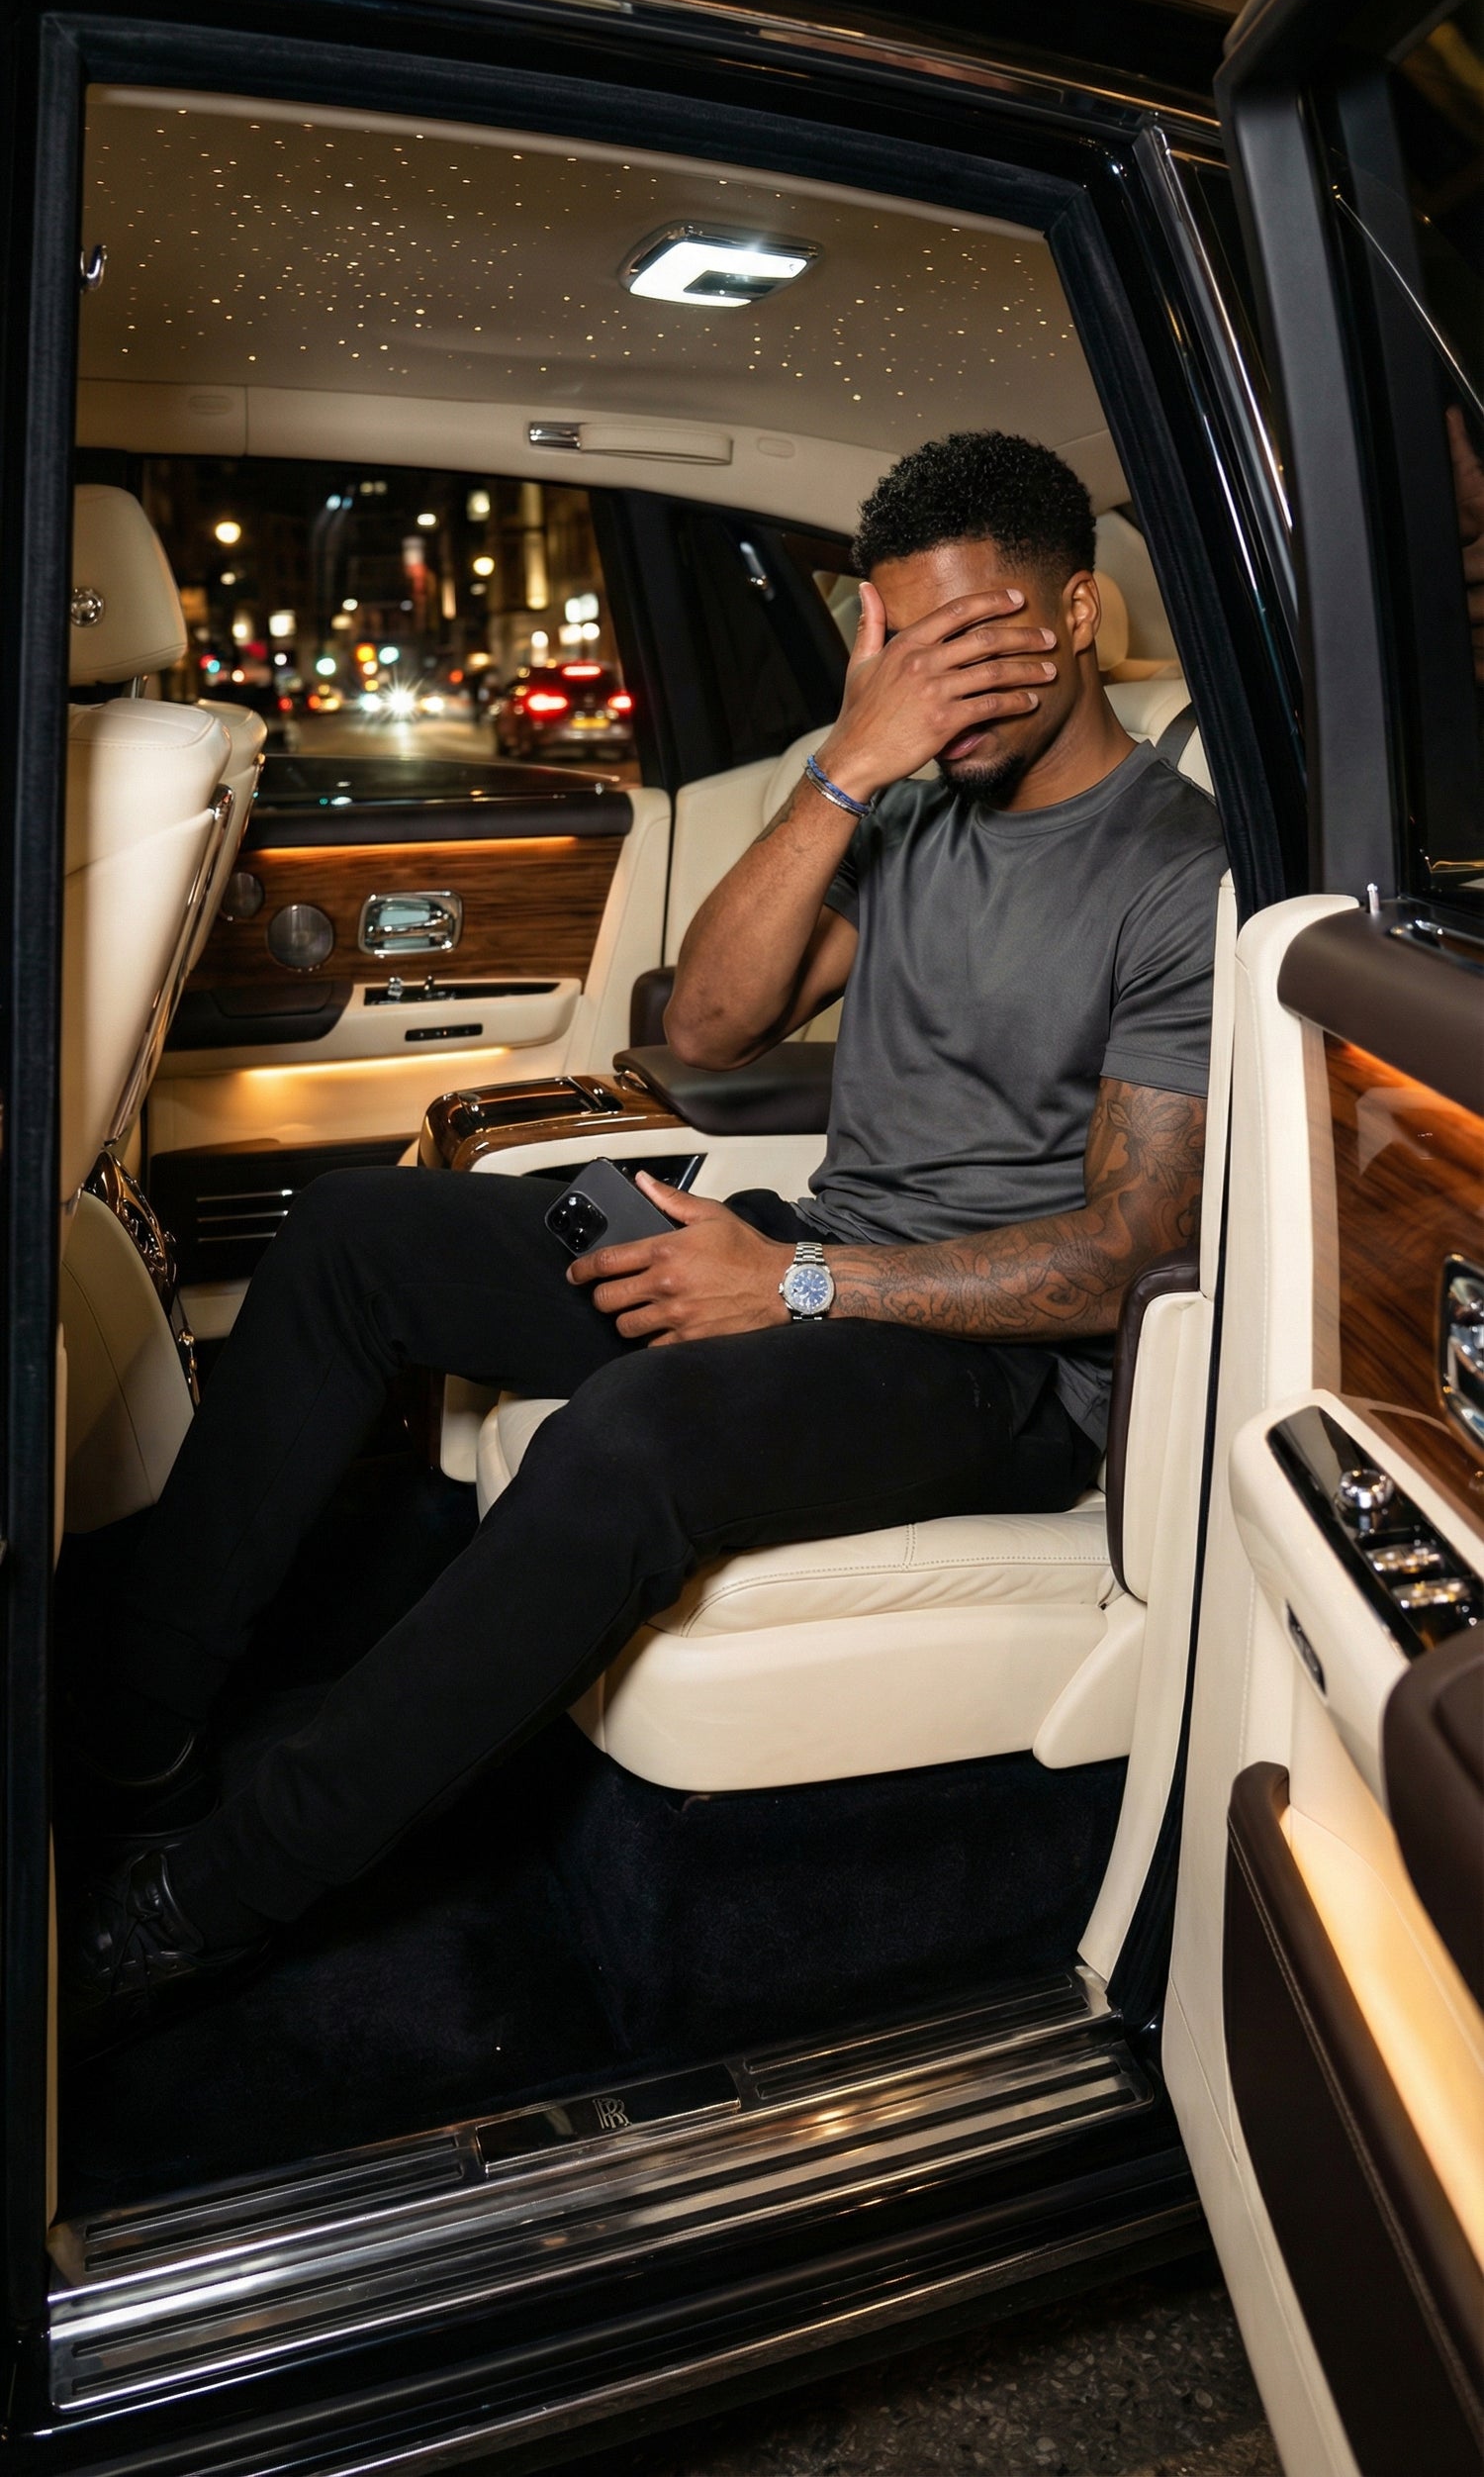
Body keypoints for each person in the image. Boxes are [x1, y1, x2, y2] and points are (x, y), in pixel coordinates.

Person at [64, 429, 1227, 2040]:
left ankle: (224, 1890)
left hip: (994, 1366)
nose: (930, 685)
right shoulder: (905, 810)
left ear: (1077, 616)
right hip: (823, 1243)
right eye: (898, 644)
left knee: (625, 1439)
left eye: (968, 639)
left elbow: (1123, 1253)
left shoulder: (1175, 872)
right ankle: (137, 1731)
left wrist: (794, 1283)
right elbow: (715, 1021)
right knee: (352, 1234)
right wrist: (846, 766)